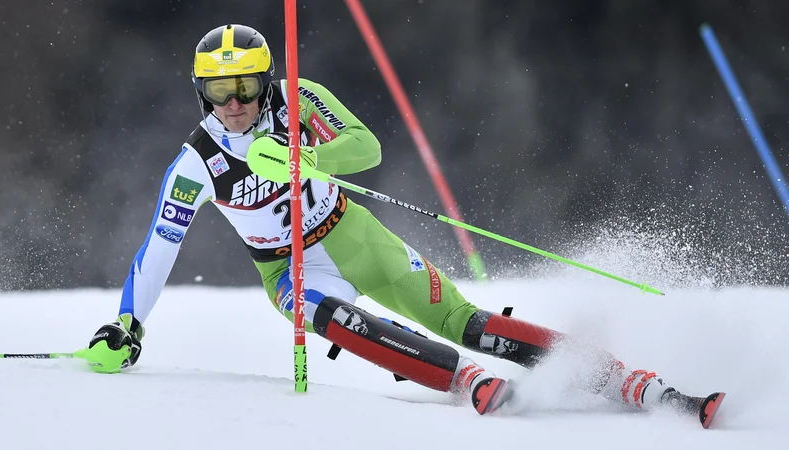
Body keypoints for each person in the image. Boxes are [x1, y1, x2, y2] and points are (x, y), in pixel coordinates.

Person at [81, 24, 724, 425]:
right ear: (202, 94)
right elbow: (157, 249)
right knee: (334, 318)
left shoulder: (298, 97)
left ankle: (626, 380)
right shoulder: (194, 163)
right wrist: (129, 324)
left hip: (346, 231)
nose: (236, 106)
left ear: (265, 80)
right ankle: (461, 380)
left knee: (466, 320)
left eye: (246, 89)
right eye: (219, 94)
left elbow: (366, 148)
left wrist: (307, 157)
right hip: (286, 268)